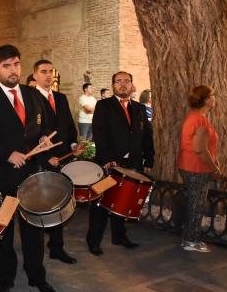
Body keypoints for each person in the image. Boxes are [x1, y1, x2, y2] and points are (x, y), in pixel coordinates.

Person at [0, 44, 57, 292]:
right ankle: (5, 278)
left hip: (31, 176)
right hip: (0, 176)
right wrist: (7, 155)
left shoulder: (33, 95)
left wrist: (44, 141)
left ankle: (36, 276)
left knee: (34, 229)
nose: (12, 70)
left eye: (16, 64)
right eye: (6, 65)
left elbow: (44, 128)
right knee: (3, 231)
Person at [86, 71, 154, 255]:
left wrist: (149, 158)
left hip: (133, 163)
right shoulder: (104, 105)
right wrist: (108, 158)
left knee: (123, 201)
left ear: (132, 85)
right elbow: (99, 133)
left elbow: (147, 134)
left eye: (126, 81)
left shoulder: (139, 108)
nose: (123, 85)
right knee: (101, 203)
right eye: (119, 81)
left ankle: (119, 236)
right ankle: (93, 241)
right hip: (109, 164)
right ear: (113, 85)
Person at [32, 59, 78, 264]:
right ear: (35, 75)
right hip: (42, 161)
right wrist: (44, 156)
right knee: (43, 204)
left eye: (51, 71)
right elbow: (30, 136)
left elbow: (68, 124)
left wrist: (75, 144)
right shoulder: (30, 98)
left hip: (62, 157)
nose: (48, 75)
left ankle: (57, 247)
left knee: (60, 201)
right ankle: (38, 249)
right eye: (43, 72)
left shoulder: (60, 97)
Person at [177, 85, 220, 253]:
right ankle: (191, 240)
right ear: (206, 100)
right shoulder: (199, 119)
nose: (215, 98)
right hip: (196, 167)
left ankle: (189, 237)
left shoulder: (194, 117)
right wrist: (214, 167)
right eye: (213, 95)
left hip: (190, 166)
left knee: (194, 202)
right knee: (197, 203)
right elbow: (199, 149)